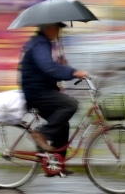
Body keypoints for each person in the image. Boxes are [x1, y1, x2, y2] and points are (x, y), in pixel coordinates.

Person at [19, 22, 88, 164]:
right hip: (37, 93)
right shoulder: (39, 44)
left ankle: (57, 164)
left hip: (39, 90)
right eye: (58, 28)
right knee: (70, 105)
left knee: (62, 123)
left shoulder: (41, 43)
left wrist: (61, 69)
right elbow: (48, 68)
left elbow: (44, 70)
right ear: (49, 27)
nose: (59, 32)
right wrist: (73, 72)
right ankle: (41, 134)